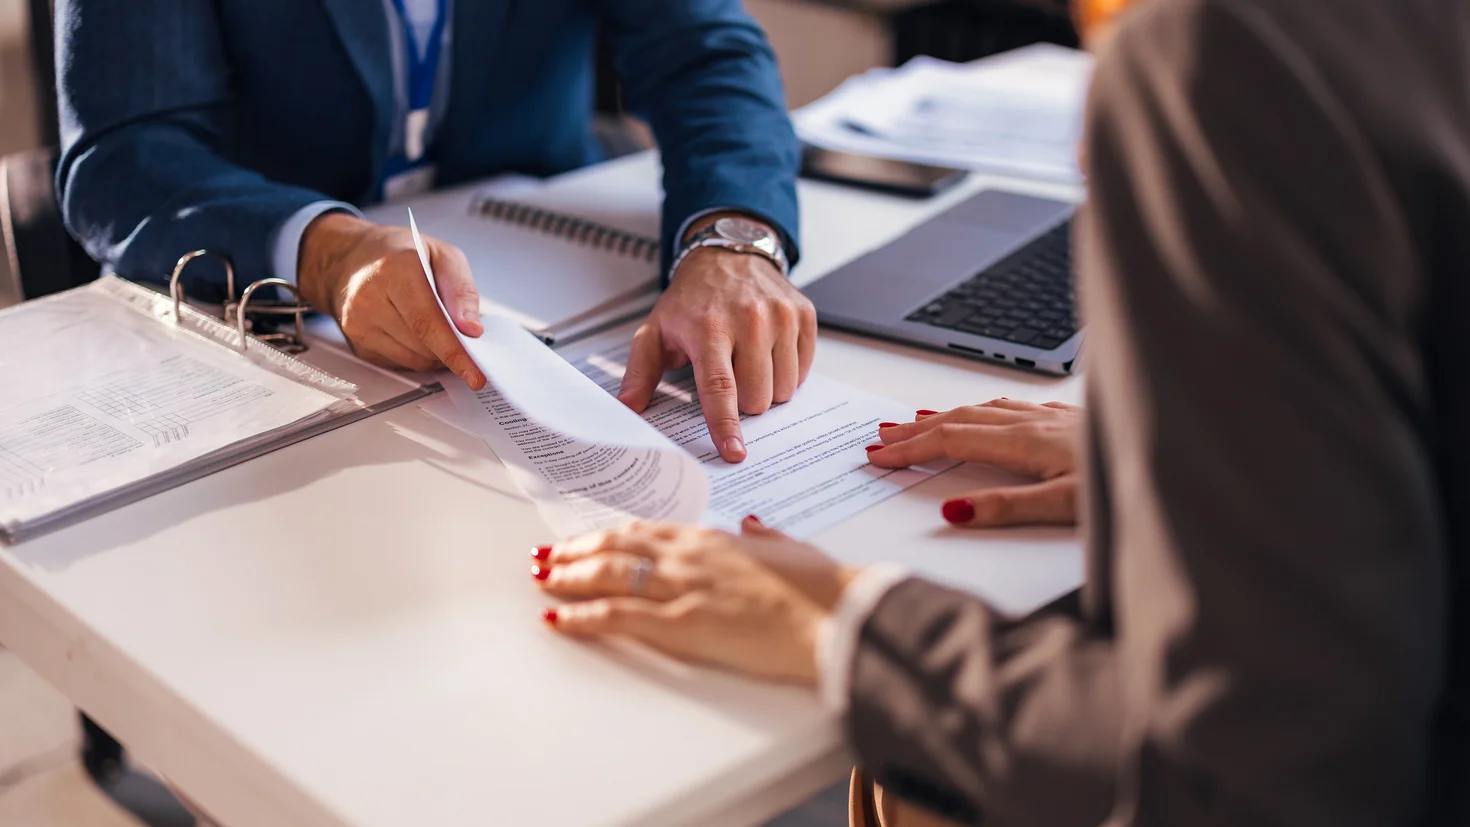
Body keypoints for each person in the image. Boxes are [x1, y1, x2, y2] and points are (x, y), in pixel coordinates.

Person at [529, 0, 1470, 824]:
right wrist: (1229, 467)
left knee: (920, 791)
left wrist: (849, 624)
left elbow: (1260, 790)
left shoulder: (1226, 57)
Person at [54, 0, 814, 463]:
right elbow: (128, 154)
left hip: (562, 318)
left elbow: (706, 55)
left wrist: (733, 237)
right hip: (260, 328)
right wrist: (327, 251)